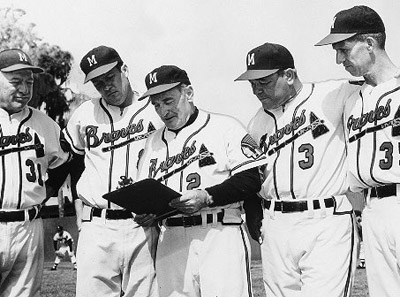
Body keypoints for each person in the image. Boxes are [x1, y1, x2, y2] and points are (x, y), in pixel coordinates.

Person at [235, 42, 359, 297]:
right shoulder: (256, 124)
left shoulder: (333, 94)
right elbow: (251, 177)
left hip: (325, 218)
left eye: (264, 82)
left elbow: (381, 84)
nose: (257, 90)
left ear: (289, 75)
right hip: (275, 224)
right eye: (252, 84)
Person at [136, 65, 267, 297]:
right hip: (172, 238)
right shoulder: (152, 143)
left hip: (219, 231)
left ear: (189, 93)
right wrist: (145, 213)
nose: (163, 111)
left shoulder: (224, 127)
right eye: (156, 105)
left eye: (168, 101)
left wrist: (207, 196)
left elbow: (251, 178)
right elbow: (145, 191)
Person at [64, 45, 162, 297]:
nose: (107, 87)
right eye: (98, 83)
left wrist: (162, 210)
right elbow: (74, 162)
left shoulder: (154, 110)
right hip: (97, 225)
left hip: (142, 224)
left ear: (125, 70)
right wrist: (78, 210)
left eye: (110, 78)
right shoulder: (84, 114)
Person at [315, 5, 400, 296]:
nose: (339, 59)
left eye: (343, 48)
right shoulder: (350, 99)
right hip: (373, 210)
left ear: (369, 43)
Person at [0, 49, 70, 297]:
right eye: (15, 82)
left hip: (29, 226)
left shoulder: (46, 124)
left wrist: (46, 195)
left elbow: (63, 165)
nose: (24, 89)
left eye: (29, 82)